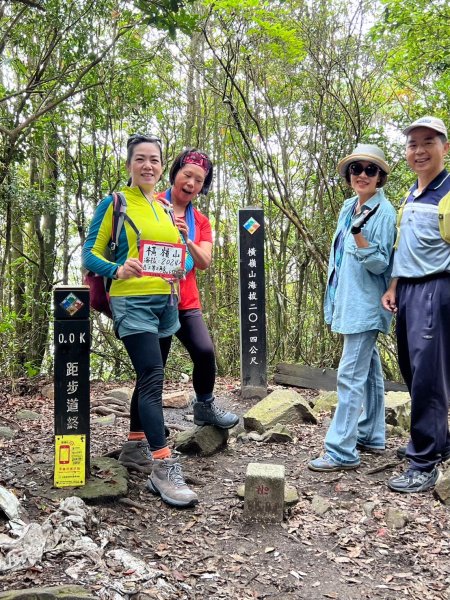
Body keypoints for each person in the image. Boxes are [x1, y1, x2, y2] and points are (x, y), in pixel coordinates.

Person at [82, 133, 198, 508]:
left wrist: (182, 260)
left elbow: (188, 262)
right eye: (141, 159)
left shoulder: (165, 209)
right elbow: (90, 256)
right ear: (130, 164)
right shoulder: (115, 203)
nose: (148, 166)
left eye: (155, 160)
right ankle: (162, 468)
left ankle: (135, 447)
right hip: (131, 302)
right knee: (153, 379)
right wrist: (117, 269)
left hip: (166, 301)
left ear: (162, 166)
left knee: (149, 376)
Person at [118, 148, 238, 474]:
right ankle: (136, 440)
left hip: (186, 301)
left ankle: (204, 406)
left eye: (199, 180)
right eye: (187, 174)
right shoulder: (151, 203)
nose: (191, 182)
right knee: (151, 373)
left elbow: (205, 261)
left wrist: (186, 240)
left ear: (202, 187)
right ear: (174, 173)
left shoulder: (200, 221)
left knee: (204, 351)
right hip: (154, 299)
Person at [308, 144, 396, 472]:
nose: (362, 175)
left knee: (349, 375)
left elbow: (380, 265)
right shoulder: (349, 206)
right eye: (356, 169)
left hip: (366, 305)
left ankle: (341, 450)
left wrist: (359, 236)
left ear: (380, 176)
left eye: (370, 170)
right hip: (347, 300)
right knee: (369, 370)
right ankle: (371, 434)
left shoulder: (383, 213)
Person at [382, 116, 450, 494]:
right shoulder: (412, 192)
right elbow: (402, 246)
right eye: (412, 144)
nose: (419, 150)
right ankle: (437, 441)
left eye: (428, 142)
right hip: (408, 290)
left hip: (436, 288)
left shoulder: (449, 191)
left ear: (445, 147)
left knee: (428, 377)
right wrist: (394, 286)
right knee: (413, 370)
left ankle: (424, 462)